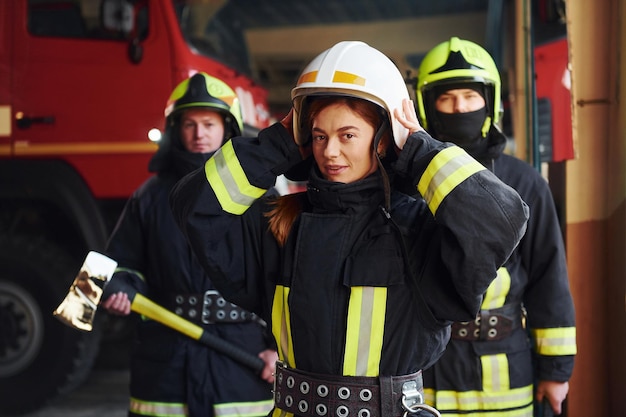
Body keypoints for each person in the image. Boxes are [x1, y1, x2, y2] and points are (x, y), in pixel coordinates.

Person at [170, 41, 528, 417]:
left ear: (385, 139)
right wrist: (276, 145)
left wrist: (421, 153)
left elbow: (501, 220)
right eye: (320, 136)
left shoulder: (417, 229)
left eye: (348, 135)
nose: (330, 152)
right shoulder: (279, 224)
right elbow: (194, 207)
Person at [415, 37, 577, 417]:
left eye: (470, 97)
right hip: (426, 375)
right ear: (428, 105)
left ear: (490, 101)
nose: (460, 108)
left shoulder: (524, 182)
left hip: (506, 378)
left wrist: (555, 371)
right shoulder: (408, 183)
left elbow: (548, 278)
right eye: (447, 98)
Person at [100, 72, 278, 417]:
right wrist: (121, 286)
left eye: (209, 124)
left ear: (228, 129)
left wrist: (278, 350)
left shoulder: (260, 199)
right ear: (175, 130)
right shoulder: (149, 197)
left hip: (241, 360)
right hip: (166, 363)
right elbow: (120, 262)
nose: (199, 134)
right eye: (190, 124)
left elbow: (283, 280)